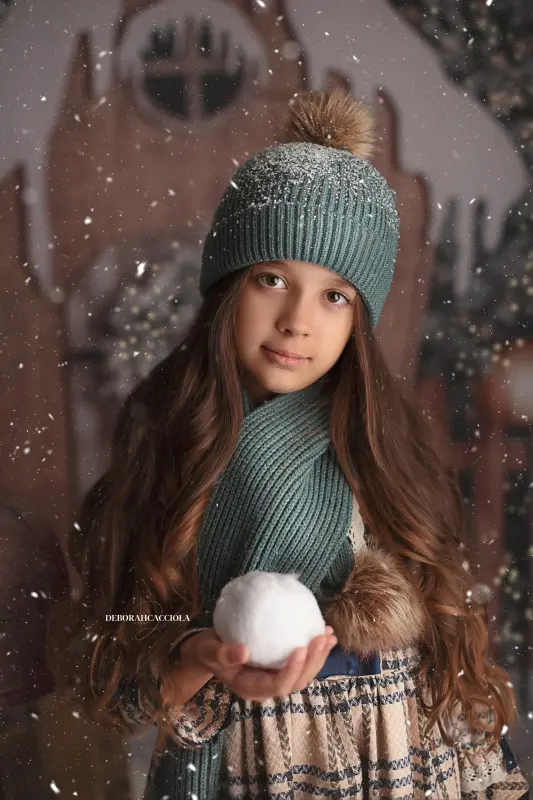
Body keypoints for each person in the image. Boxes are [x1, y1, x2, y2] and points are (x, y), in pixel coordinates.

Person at [48, 88, 530, 799]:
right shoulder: (174, 443)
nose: (297, 320)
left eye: (333, 295)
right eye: (270, 279)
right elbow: (113, 643)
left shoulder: (379, 441)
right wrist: (202, 654)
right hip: (248, 763)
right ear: (226, 289)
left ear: (357, 319)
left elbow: (445, 641)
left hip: (395, 760)